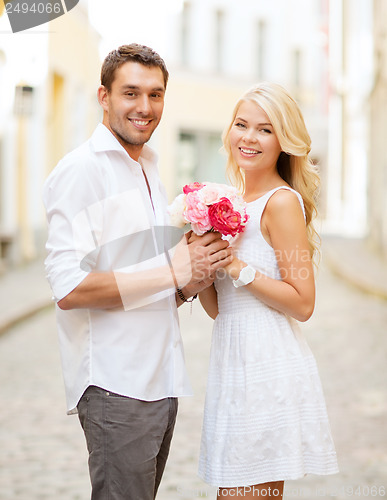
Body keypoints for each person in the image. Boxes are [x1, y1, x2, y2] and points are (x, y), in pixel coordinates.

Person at [42, 43, 232, 500]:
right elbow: (68, 287)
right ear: (104, 97)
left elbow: (147, 280)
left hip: (159, 381)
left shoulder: (149, 169)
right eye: (131, 93)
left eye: (156, 94)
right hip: (116, 385)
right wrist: (172, 270)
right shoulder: (81, 171)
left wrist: (191, 279)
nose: (144, 107)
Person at [195, 82, 339, 499]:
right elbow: (222, 310)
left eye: (265, 129)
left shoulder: (281, 203)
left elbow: (304, 302)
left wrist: (239, 268)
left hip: (267, 366)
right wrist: (204, 258)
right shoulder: (232, 203)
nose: (249, 137)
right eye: (241, 124)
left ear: (283, 142)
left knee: (247, 495)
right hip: (232, 361)